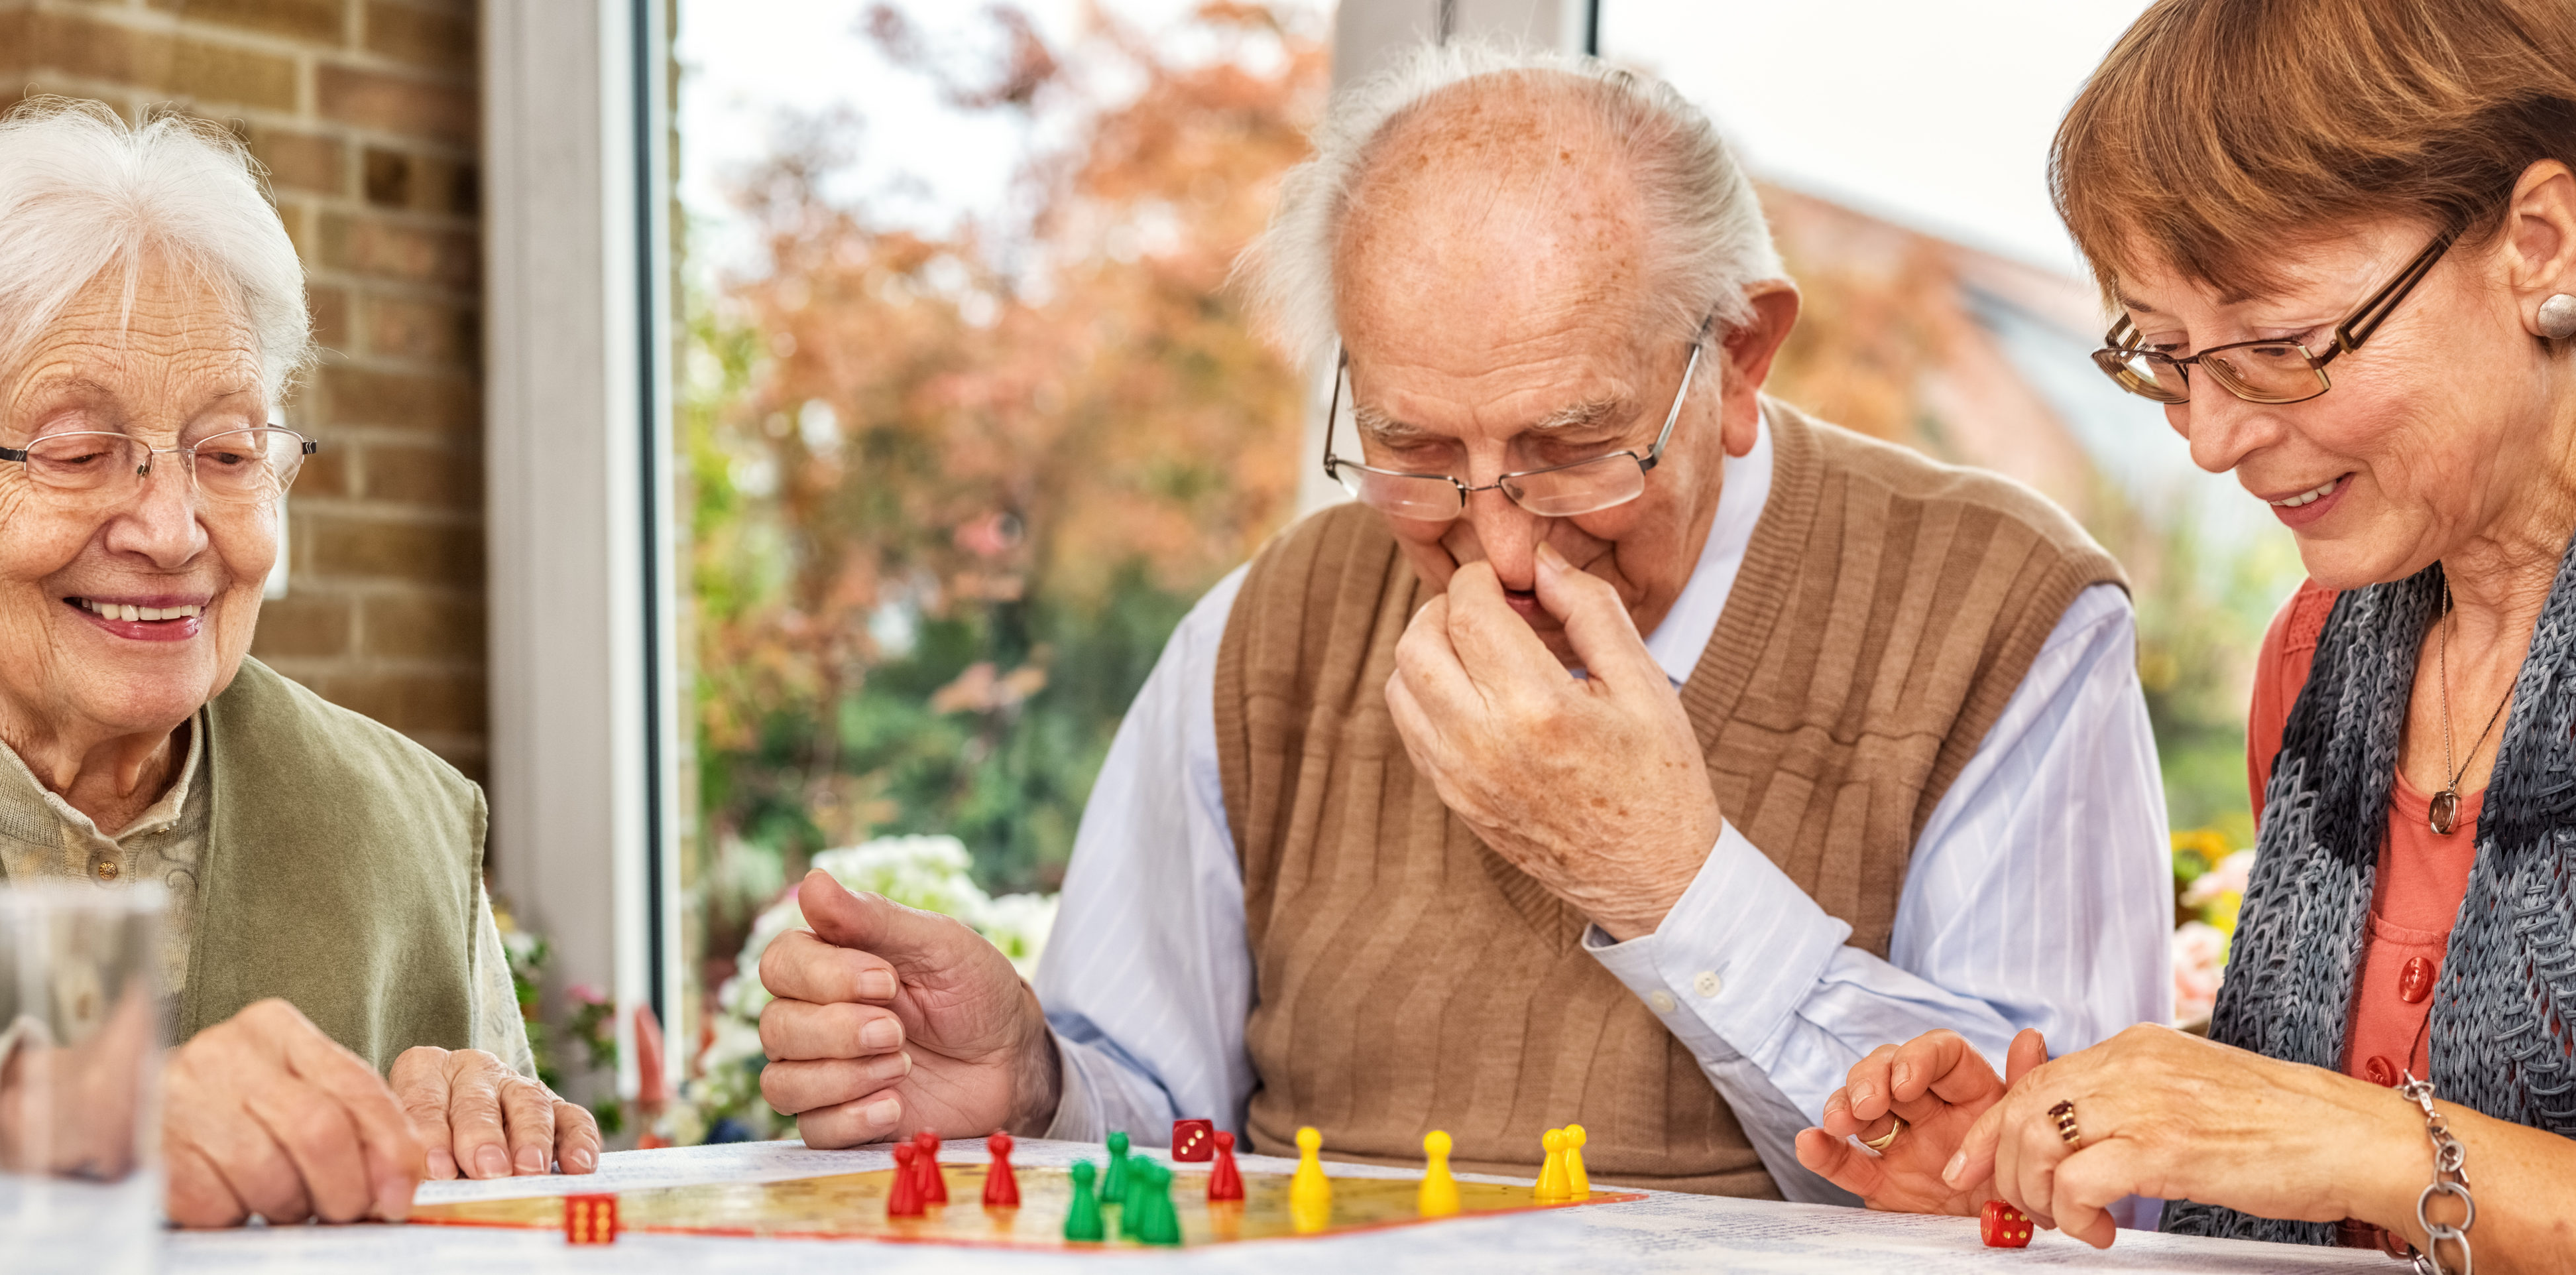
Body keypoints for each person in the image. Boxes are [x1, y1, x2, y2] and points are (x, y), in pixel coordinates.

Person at [756, 43, 2172, 1203]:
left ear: (1738, 356)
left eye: (1571, 445)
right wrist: (1032, 1086)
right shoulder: (1267, 630)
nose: (1493, 540)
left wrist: (1670, 882)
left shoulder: (2008, 617)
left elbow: (2051, 1193)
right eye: (1414, 449)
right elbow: (1167, 1128)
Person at [1804, 0, 2576, 1268]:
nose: (2209, 437)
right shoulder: (2317, 657)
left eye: (2280, 347)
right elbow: (2329, 1185)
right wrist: (2054, 1149)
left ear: (2537, 245)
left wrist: (2383, 1147)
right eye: (2168, 356)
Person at [0, 100, 599, 1225]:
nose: (174, 529)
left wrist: (486, 1128)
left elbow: (523, 1217)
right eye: (80, 452)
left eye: (228, 452)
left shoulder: (407, 819)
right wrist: (64, 1128)